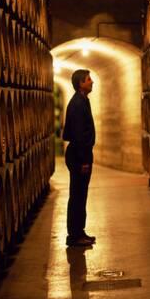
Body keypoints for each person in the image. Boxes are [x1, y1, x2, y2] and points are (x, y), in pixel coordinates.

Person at [62, 69, 96, 246]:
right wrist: (84, 160)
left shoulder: (82, 100)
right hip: (78, 154)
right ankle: (74, 236)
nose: (92, 82)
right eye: (89, 79)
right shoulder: (77, 104)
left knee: (81, 195)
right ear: (81, 83)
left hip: (80, 152)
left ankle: (79, 232)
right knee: (77, 195)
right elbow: (78, 134)